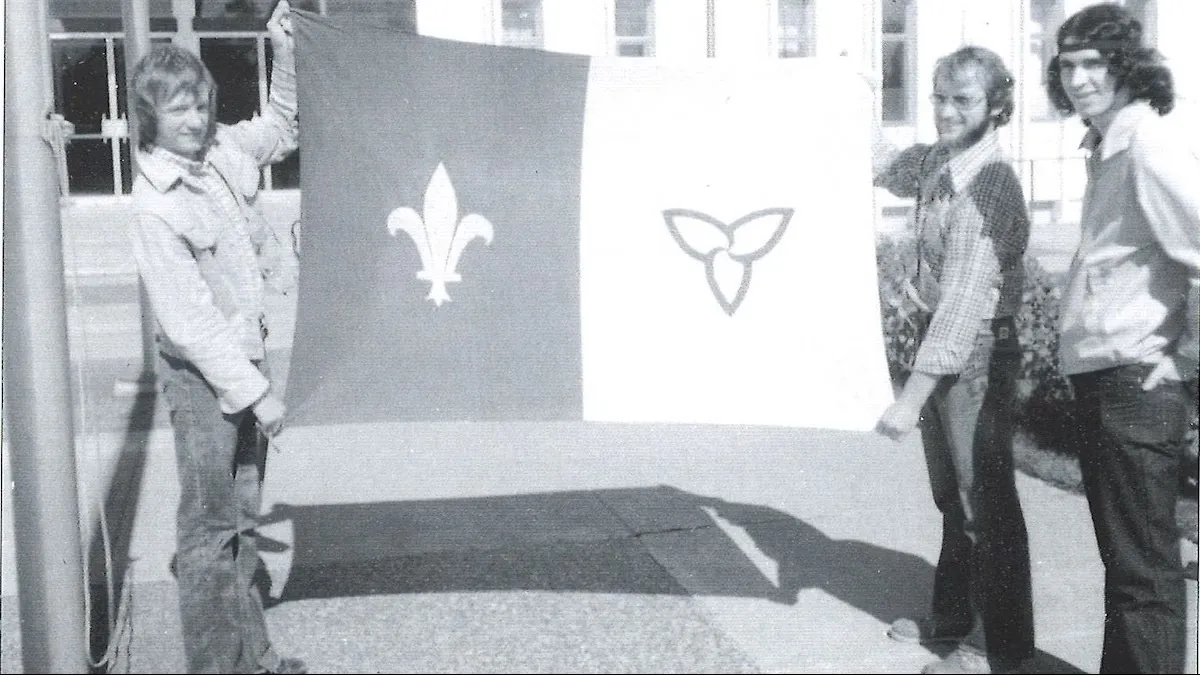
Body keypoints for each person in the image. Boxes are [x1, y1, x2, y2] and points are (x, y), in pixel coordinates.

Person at [128, 1, 306, 672]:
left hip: (244, 362)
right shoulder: (157, 204)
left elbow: (282, 127)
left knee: (241, 516)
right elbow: (193, 323)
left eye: (200, 105)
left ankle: (251, 654)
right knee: (209, 529)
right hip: (205, 379)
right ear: (150, 117)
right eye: (179, 110)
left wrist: (284, 50)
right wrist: (257, 394)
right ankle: (216, 665)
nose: (196, 120)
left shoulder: (222, 150)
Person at [1046, 4, 1200, 673]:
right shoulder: (1106, 145)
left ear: (1127, 66)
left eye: (1094, 63)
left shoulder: (1147, 143)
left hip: (1134, 384)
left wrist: (1186, 356)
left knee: (1145, 577)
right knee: (1127, 568)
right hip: (1105, 382)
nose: (1080, 78)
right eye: (1068, 64)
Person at [872, 46, 1035, 675]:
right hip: (944, 347)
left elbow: (965, 304)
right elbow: (884, 165)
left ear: (996, 107)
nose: (944, 110)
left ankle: (1000, 650)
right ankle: (952, 615)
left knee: (983, 502)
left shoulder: (990, 186)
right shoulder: (940, 161)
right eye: (938, 96)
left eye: (961, 100)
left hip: (977, 355)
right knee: (952, 497)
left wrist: (910, 399)